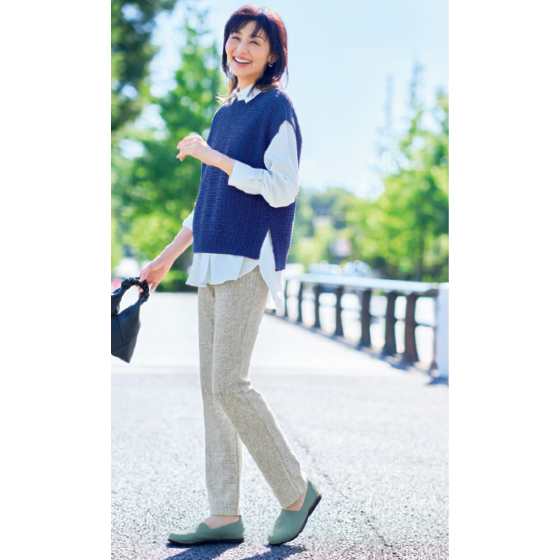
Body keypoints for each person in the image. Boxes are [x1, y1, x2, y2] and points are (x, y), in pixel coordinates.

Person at [138, 5, 322, 547]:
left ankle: (295, 491)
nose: (241, 48)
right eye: (235, 37)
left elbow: (283, 188)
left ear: (273, 55)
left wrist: (214, 157)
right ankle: (223, 514)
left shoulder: (276, 108)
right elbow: (208, 202)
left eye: (255, 41)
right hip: (213, 258)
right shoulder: (224, 115)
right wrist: (165, 258)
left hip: (248, 257)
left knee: (229, 384)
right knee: (211, 390)